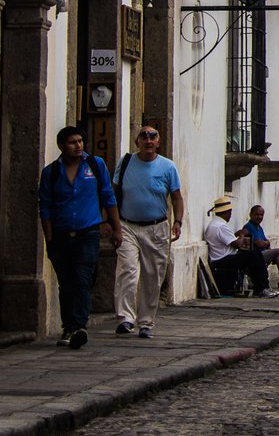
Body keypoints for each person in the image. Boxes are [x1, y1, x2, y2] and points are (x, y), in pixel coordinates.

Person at [38, 125, 121, 349]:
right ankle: (69, 326)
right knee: (66, 284)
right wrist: (49, 238)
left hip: (88, 233)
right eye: (73, 142)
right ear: (62, 146)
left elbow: (108, 196)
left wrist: (117, 227)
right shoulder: (51, 172)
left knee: (83, 279)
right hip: (61, 235)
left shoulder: (95, 166)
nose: (78, 146)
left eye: (80, 141)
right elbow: (45, 208)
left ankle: (79, 326)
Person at [113, 125, 184, 339]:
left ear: (158, 142)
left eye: (153, 136)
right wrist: (111, 222)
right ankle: (126, 318)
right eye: (144, 136)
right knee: (127, 270)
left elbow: (177, 197)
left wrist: (178, 221)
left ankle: (146, 322)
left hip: (157, 227)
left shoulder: (168, 167)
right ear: (137, 142)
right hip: (127, 225)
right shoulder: (125, 163)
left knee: (153, 276)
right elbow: (113, 194)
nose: (148, 140)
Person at [204, 195, 277, 298]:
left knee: (255, 254)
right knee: (253, 255)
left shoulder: (215, 224)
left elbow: (228, 241)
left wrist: (237, 234)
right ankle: (261, 288)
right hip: (222, 259)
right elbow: (237, 244)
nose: (230, 215)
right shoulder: (220, 226)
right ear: (225, 212)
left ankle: (263, 286)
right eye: (229, 213)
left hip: (222, 257)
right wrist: (242, 234)